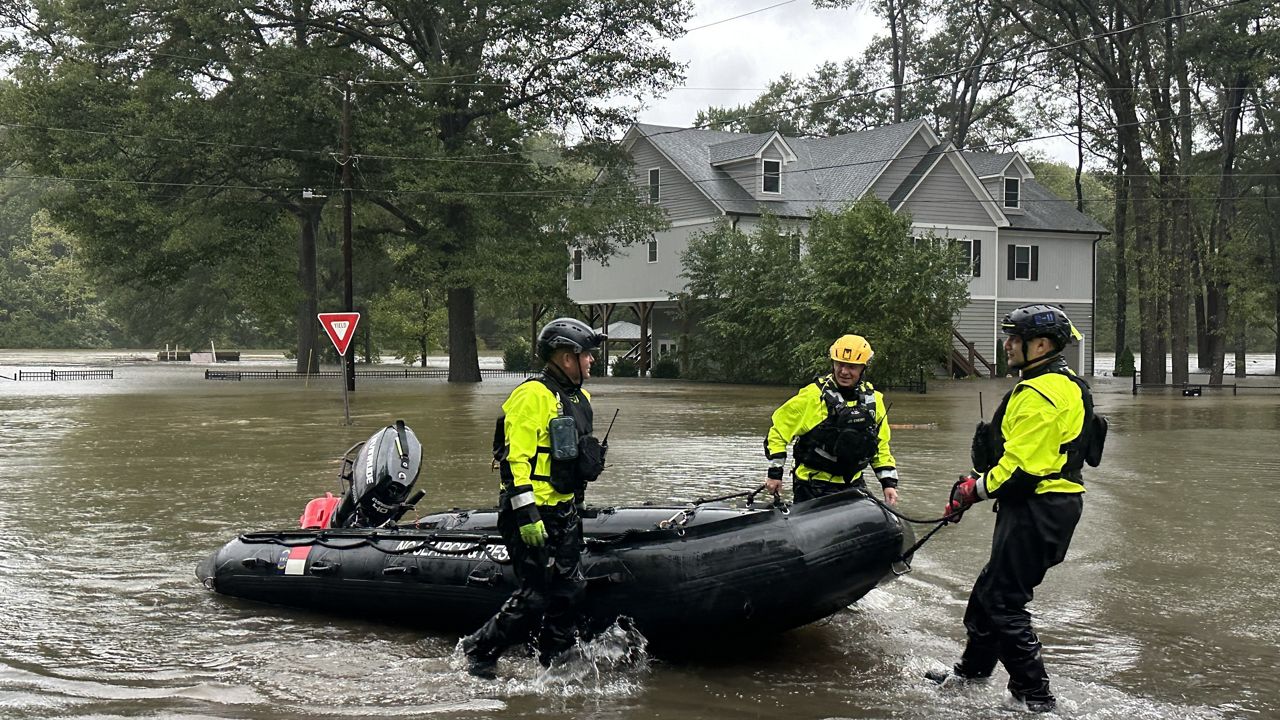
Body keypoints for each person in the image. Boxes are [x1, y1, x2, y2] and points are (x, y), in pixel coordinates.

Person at [928, 304, 1101, 713]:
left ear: (1040, 344)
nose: (1007, 345)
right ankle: (971, 675)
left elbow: (1022, 469)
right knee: (989, 591)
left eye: (1014, 339)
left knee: (1004, 601)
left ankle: (1035, 698)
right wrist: (974, 479)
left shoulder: (1042, 395)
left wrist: (972, 491)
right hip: (1041, 505)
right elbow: (1013, 455)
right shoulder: (1057, 383)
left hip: (1039, 508)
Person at [461, 317, 607, 678]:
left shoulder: (580, 398)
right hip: (530, 513)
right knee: (535, 595)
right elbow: (515, 460)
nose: (591, 361)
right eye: (585, 354)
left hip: (563, 511)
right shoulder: (531, 396)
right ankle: (479, 649)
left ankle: (554, 660)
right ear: (565, 357)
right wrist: (526, 515)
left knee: (570, 589)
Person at [763, 334, 899, 505]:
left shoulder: (873, 400)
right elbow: (778, 433)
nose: (844, 371)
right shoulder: (812, 396)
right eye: (840, 364)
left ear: (863, 368)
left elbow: (880, 445)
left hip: (853, 485)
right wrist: (775, 473)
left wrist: (888, 483)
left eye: (851, 367)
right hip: (813, 486)